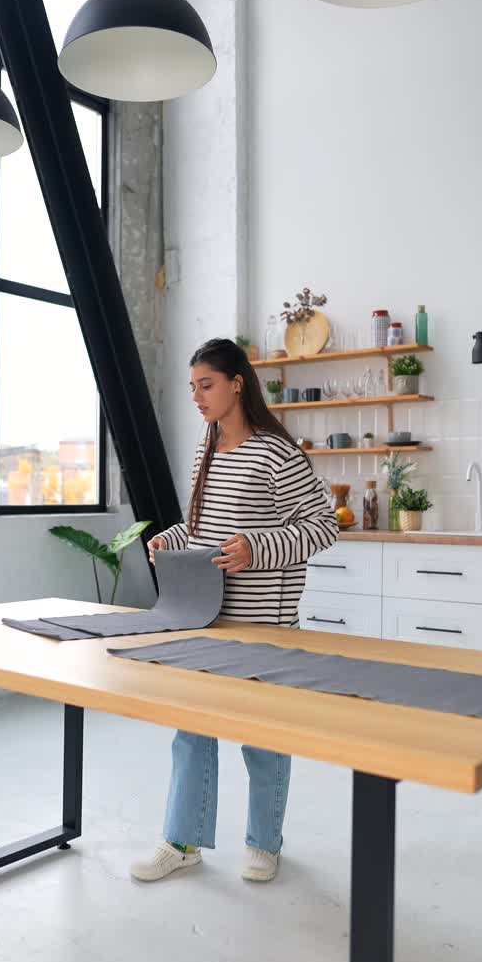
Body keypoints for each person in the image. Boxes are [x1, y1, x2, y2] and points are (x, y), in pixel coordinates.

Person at [130, 338, 338, 884]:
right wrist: (171, 540)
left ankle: (264, 843)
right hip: (203, 615)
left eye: (207, 385)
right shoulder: (207, 447)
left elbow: (322, 526)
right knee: (190, 727)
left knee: (263, 735)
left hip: (265, 623)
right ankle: (183, 841)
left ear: (236, 383)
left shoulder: (276, 452)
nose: (197, 397)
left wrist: (257, 548)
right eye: (193, 387)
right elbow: (203, 529)